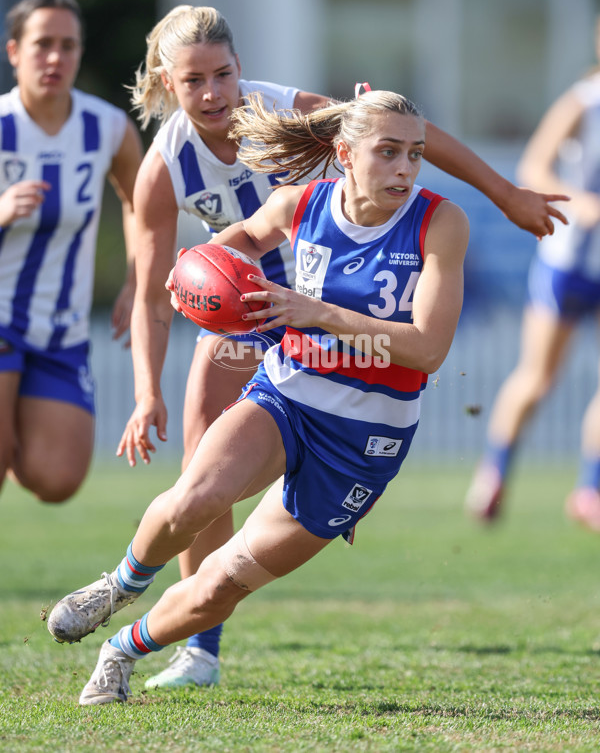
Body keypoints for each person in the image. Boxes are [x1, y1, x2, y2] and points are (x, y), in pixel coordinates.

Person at [113, 4, 569, 691]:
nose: (213, 93)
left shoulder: (292, 111)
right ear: (165, 82)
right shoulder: (163, 166)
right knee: (201, 469)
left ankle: (215, 601)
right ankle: (197, 647)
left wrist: (505, 194)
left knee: (258, 468)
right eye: (194, 80)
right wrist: (148, 389)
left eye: (224, 74)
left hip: (325, 303)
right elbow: (153, 293)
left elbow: (403, 130)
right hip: (251, 309)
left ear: (242, 69)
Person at [47, 86, 470, 705]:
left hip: (364, 441)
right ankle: (117, 586)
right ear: (344, 154)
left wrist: (314, 311)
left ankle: (123, 650)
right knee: (198, 494)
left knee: (221, 586)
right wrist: (201, 268)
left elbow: (427, 349)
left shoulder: (441, 222)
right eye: (387, 151)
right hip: (287, 392)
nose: (404, 168)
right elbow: (242, 235)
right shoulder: (301, 203)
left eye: (414, 153)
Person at [0, 0, 142, 504]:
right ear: (14, 51)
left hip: (61, 327)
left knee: (58, 479)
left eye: (69, 45)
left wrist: (135, 278)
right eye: (42, 44)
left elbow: (139, 203)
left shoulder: (105, 127)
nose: (56, 57)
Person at [465, 17, 600, 527]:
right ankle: (495, 472)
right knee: (539, 377)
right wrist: (583, 204)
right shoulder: (584, 102)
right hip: (570, 263)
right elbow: (534, 168)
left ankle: (589, 490)